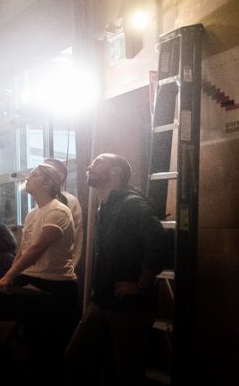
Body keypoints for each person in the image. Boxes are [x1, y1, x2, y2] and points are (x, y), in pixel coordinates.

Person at [66, 154, 170, 386]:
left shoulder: (132, 204)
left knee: (127, 374)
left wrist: (141, 284)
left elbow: (159, 241)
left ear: (116, 172)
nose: (89, 166)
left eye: (98, 162)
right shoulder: (106, 206)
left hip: (129, 308)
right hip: (103, 302)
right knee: (76, 358)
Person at [0, 161, 78, 382]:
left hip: (56, 288)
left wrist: (10, 276)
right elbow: (23, 249)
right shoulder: (33, 214)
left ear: (48, 182)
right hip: (33, 285)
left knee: (51, 352)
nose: (28, 179)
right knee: (34, 348)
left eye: (33, 175)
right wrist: (12, 273)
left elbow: (37, 248)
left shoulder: (59, 211)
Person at [44, 157, 84, 269]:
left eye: (44, 171)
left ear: (58, 176)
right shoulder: (43, 202)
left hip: (57, 271)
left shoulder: (66, 201)